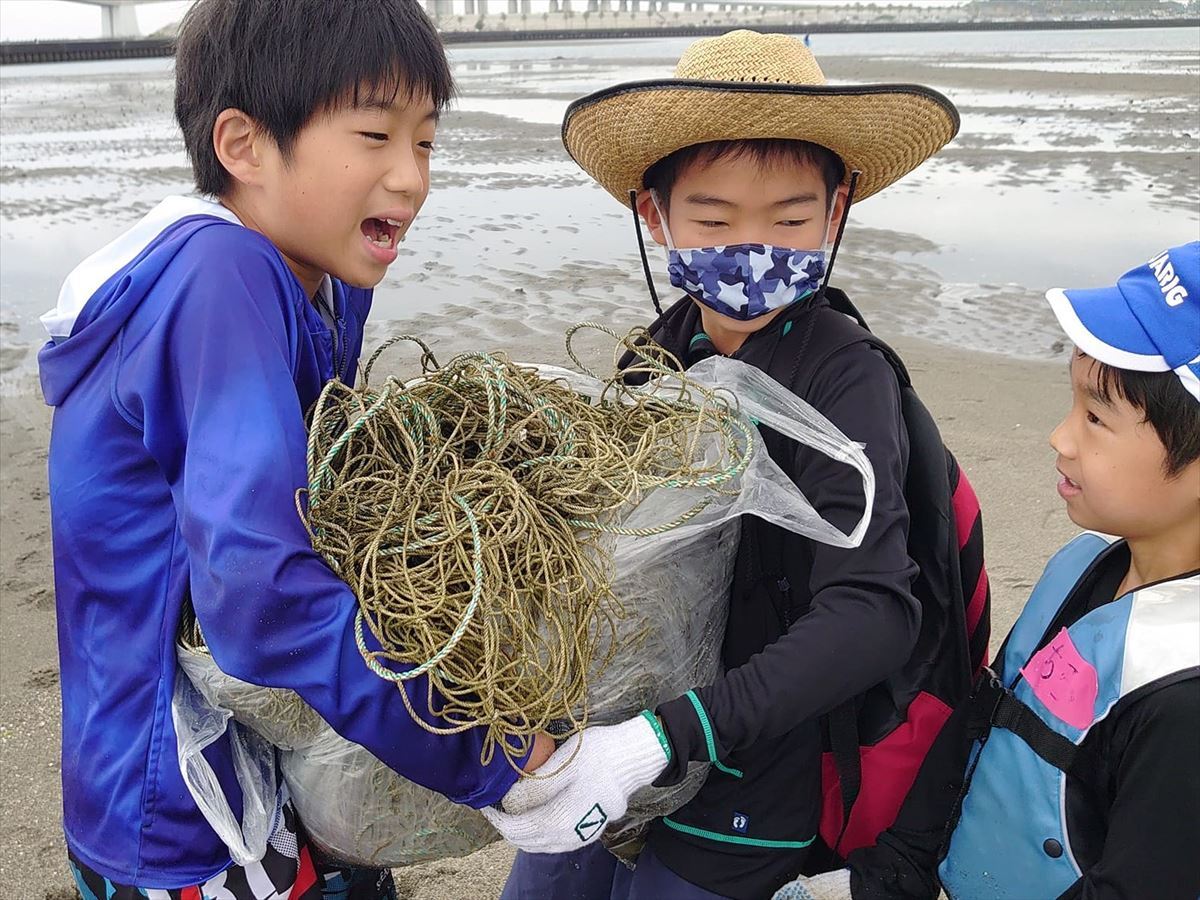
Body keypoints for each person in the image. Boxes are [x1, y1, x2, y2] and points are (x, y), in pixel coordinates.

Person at [38, 1, 550, 897]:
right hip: (184, 804)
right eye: (374, 134)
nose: (413, 176)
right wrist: (490, 750)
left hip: (276, 756)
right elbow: (260, 592)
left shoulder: (313, 278)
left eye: (425, 142)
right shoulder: (218, 278)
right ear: (242, 145)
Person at [485, 30, 984, 900]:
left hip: (757, 765)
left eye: (790, 219)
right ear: (655, 215)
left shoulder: (843, 374)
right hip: (627, 729)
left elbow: (874, 613)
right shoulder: (655, 354)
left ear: (836, 213)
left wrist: (660, 738)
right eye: (713, 221)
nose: (752, 247)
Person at [777, 242, 1200, 900]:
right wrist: (891, 873)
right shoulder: (1085, 566)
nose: (1059, 437)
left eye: (1095, 418)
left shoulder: (1183, 699)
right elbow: (979, 727)